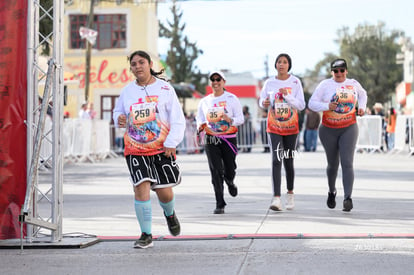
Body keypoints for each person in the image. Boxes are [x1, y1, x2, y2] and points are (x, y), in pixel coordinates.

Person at [112, 50, 186, 249]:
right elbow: (118, 111)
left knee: (164, 192)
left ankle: (170, 214)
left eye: (141, 62)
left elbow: (178, 119)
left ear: (150, 64)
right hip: (135, 148)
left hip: (162, 148)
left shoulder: (165, 89)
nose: (137, 67)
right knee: (141, 186)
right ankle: (146, 234)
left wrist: (172, 142)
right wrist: (118, 118)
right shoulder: (127, 91)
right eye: (134, 64)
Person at [309, 58, 367, 212]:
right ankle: (331, 191)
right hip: (328, 129)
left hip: (349, 127)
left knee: (347, 163)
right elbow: (311, 103)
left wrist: (362, 107)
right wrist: (327, 106)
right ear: (331, 72)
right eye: (336, 71)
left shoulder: (353, 84)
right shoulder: (325, 85)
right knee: (333, 165)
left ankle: (348, 198)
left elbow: (363, 95)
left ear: (346, 71)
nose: (339, 73)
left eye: (342, 70)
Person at [258, 53, 305, 211]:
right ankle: (276, 198)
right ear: (275, 65)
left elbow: (301, 105)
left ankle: (290, 194)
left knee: (288, 161)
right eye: (279, 62)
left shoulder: (295, 81)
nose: (282, 64)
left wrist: (288, 96)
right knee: (276, 160)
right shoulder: (269, 82)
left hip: (291, 127)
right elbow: (262, 100)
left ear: (289, 65)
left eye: (285, 62)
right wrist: (264, 103)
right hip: (274, 127)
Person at [196, 71, 244, 214]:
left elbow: (240, 118)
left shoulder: (232, 98)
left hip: (228, 138)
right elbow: (199, 118)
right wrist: (200, 125)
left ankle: (230, 180)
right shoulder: (204, 101)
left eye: (218, 79)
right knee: (215, 170)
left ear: (224, 82)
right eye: (213, 80)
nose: (215, 82)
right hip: (211, 139)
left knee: (230, 167)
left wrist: (229, 119)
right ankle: (220, 203)